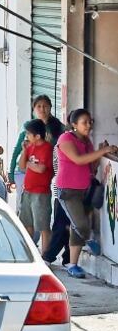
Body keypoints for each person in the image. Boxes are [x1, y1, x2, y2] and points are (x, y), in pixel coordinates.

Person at [55, 108, 116, 278]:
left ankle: (72, 265)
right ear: (74, 125)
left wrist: (101, 151)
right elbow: (78, 159)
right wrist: (102, 151)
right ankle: (88, 237)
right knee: (81, 225)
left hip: (85, 189)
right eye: (84, 122)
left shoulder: (86, 141)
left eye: (90, 122)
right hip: (67, 190)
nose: (88, 125)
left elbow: (91, 167)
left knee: (77, 227)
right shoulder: (65, 138)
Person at [8, 95, 65, 193]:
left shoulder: (59, 127)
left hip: (46, 173)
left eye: (45, 106)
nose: (42, 109)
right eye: (38, 106)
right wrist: (11, 173)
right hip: (24, 171)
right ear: (34, 108)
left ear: (50, 107)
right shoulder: (28, 126)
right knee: (23, 205)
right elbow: (17, 150)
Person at [16, 119, 54, 249]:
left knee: (43, 226)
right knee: (27, 224)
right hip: (27, 190)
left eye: (28, 134)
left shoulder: (47, 148)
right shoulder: (30, 147)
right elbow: (21, 166)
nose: (26, 137)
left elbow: (41, 168)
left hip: (41, 192)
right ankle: (29, 251)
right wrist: (24, 150)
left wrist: (28, 164)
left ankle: (46, 256)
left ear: (37, 136)